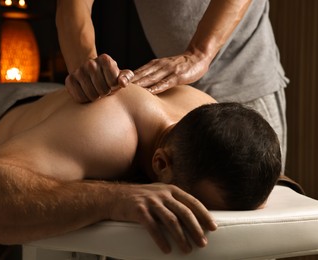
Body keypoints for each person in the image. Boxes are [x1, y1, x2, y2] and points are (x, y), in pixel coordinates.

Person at [0, 81, 281, 256]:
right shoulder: (110, 134)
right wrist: (115, 198)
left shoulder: (213, 132)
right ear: (160, 164)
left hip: (59, 113)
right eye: (188, 201)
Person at [55, 0, 289, 172]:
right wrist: (84, 69)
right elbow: (72, 5)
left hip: (243, 77)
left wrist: (199, 53)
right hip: (174, 95)